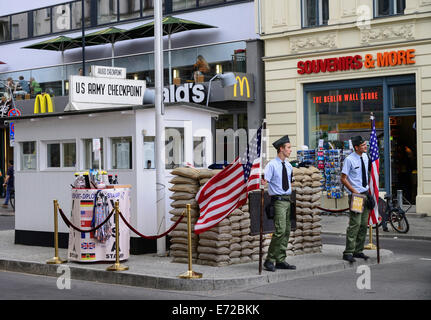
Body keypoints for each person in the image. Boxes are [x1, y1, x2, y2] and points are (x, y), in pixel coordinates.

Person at [261, 135, 296, 272]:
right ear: (281, 149)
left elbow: (291, 182)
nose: (290, 150)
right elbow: (264, 182)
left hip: (288, 200)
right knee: (280, 230)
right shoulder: (271, 165)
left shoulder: (288, 165)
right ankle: (269, 259)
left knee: (286, 231)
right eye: (288, 148)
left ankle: (280, 259)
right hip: (278, 201)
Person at [340, 136, 371, 263]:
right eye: (363, 145)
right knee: (355, 224)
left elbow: (367, 174)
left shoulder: (365, 157)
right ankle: (348, 252)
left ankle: (358, 250)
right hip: (356, 195)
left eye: (365, 144)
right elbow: (343, 178)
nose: (365, 146)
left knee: (364, 224)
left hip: (366, 193)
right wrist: (354, 191)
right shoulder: (349, 160)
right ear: (356, 147)